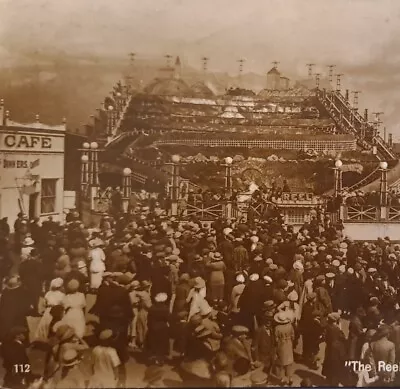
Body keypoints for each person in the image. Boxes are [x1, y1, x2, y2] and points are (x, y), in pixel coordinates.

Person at [34, 278, 65, 343]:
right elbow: (63, 304)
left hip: (48, 311)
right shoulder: (62, 295)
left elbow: (44, 303)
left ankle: (43, 338)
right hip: (57, 311)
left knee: (45, 325)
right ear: (59, 287)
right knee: (55, 324)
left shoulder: (48, 293)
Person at [273, 311, 295, 386]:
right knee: (289, 362)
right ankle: (290, 378)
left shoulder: (277, 328)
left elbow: (276, 339)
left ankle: (282, 378)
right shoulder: (290, 326)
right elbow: (293, 336)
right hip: (288, 344)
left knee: (281, 362)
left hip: (281, 345)